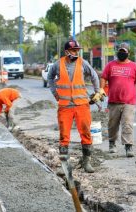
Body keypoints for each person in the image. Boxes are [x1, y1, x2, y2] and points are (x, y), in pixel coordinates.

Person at [47, 39, 104, 173]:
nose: (76, 52)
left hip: (82, 105)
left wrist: (97, 91)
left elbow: (94, 75)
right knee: (64, 135)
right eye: (74, 50)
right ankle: (64, 165)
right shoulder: (57, 64)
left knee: (85, 133)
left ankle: (86, 162)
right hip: (65, 106)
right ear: (67, 51)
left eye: (77, 50)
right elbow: (50, 78)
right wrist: (55, 93)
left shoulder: (83, 63)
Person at [100, 43, 136, 157]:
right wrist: (101, 89)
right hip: (113, 101)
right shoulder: (110, 65)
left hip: (129, 102)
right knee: (112, 124)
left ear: (128, 53)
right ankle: (112, 144)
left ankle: (128, 147)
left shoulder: (133, 66)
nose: (121, 53)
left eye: (124, 51)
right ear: (117, 52)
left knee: (127, 124)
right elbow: (103, 77)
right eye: (120, 51)